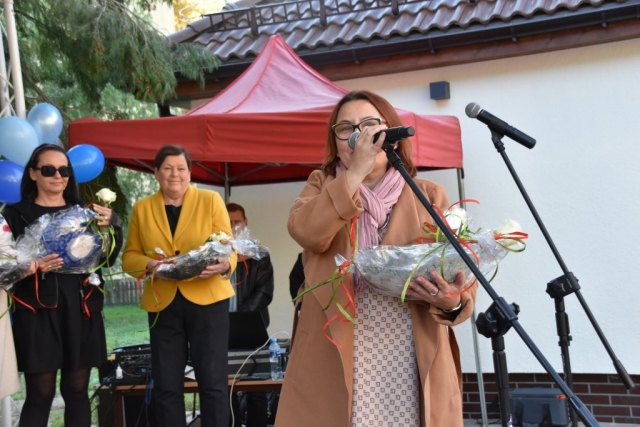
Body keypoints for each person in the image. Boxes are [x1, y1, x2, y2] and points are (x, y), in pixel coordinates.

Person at [276, 90, 477, 427]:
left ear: (391, 134)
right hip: (336, 349)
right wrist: (353, 175)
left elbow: (461, 283)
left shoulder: (428, 194)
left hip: (408, 348)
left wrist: (450, 300)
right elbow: (308, 232)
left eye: (370, 124)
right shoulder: (320, 186)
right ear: (336, 142)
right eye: (346, 128)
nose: (358, 134)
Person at [3, 143, 123, 427]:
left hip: (81, 307)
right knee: (41, 394)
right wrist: (31, 266)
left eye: (64, 170)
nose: (58, 176)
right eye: (48, 170)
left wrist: (113, 225)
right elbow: (2, 267)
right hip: (36, 310)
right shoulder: (14, 215)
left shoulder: (86, 214)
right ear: (32, 173)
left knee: (77, 390)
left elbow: (106, 258)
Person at [122, 145, 237, 427]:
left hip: (208, 300)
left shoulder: (210, 199)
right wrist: (149, 265)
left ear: (190, 172)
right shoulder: (142, 207)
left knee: (212, 383)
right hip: (163, 302)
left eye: (181, 168)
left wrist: (226, 264)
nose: (175, 174)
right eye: (168, 168)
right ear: (156, 173)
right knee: (166, 385)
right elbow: (129, 256)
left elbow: (228, 245)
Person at [226, 202, 274, 427]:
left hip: (253, 328)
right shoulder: (214, 253)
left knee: (257, 388)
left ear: (245, 223)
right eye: (228, 222)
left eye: (237, 221)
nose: (233, 226)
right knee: (226, 390)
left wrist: (239, 319)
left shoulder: (259, 254)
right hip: (221, 329)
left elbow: (264, 292)